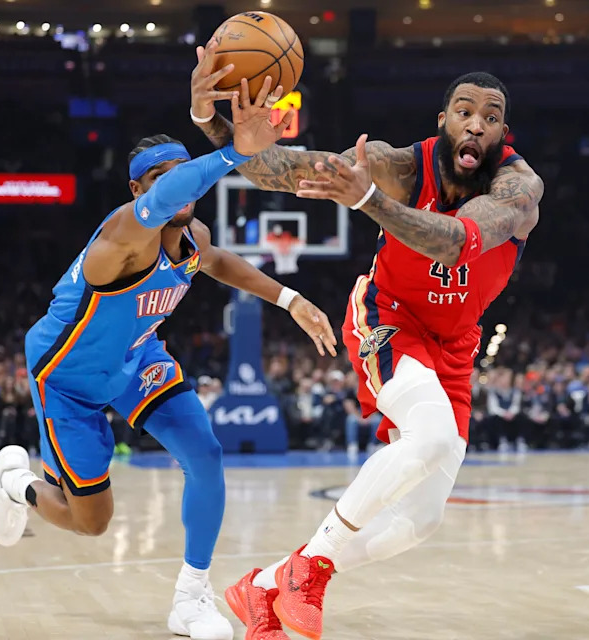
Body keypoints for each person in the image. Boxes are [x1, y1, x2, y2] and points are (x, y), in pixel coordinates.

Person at [0, 58, 337, 640]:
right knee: (91, 522)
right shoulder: (122, 237)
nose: (181, 186)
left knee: (206, 455)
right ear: (137, 190)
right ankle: (17, 485)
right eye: (163, 178)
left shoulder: (192, 238)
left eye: (183, 173)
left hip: (135, 361)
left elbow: (218, 261)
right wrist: (232, 152)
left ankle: (191, 598)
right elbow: (173, 194)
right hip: (67, 380)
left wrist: (290, 299)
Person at [192, 59, 543, 639]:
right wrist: (211, 120)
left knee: (423, 518)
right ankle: (311, 568)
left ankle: (264, 584)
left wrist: (368, 202)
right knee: (427, 437)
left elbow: (456, 245)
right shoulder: (399, 165)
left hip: (456, 343)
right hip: (388, 317)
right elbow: (277, 168)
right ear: (443, 123)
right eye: (465, 113)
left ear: (504, 133)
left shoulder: (518, 190)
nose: (477, 125)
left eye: (491, 117)